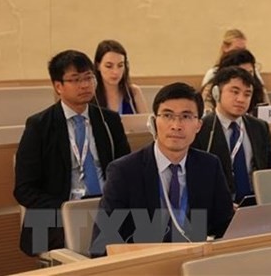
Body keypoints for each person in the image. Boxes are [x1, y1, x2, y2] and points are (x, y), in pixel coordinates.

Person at [90, 83, 233, 256]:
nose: (176, 125)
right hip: (144, 265)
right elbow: (103, 244)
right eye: (167, 115)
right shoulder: (125, 171)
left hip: (194, 264)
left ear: (198, 125)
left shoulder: (209, 166)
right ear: (154, 122)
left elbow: (226, 229)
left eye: (186, 116)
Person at [14, 50, 130, 256]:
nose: (85, 85)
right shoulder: (39, 126)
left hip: (105, 206)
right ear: (58, 86)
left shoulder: (109, 121)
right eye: (75, 80)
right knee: (81, 251)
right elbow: (24, 189)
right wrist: (68, 208)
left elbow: (126, 171)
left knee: (150, 231)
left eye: (88, 78)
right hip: (57, 212)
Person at [193, 67, 271, 205]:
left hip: (257, 203)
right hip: (218, 207)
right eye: (235, 92)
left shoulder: (260, 127)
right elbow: (195, 179)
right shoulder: (200, 129)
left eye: (247, 94)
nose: (241, 99)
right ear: (216, 93)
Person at [201, 49, 269, 115]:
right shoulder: (211, 90)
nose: (247, 77)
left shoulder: (259, 89)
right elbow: (206, 113)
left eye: (250, 72)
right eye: (242, 73)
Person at [94, 39, 148, 114]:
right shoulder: (90, 94)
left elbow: (146, 123)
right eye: (109, 66)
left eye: (120, 65)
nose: (115, 72)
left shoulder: (134, 92)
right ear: (98, 66)